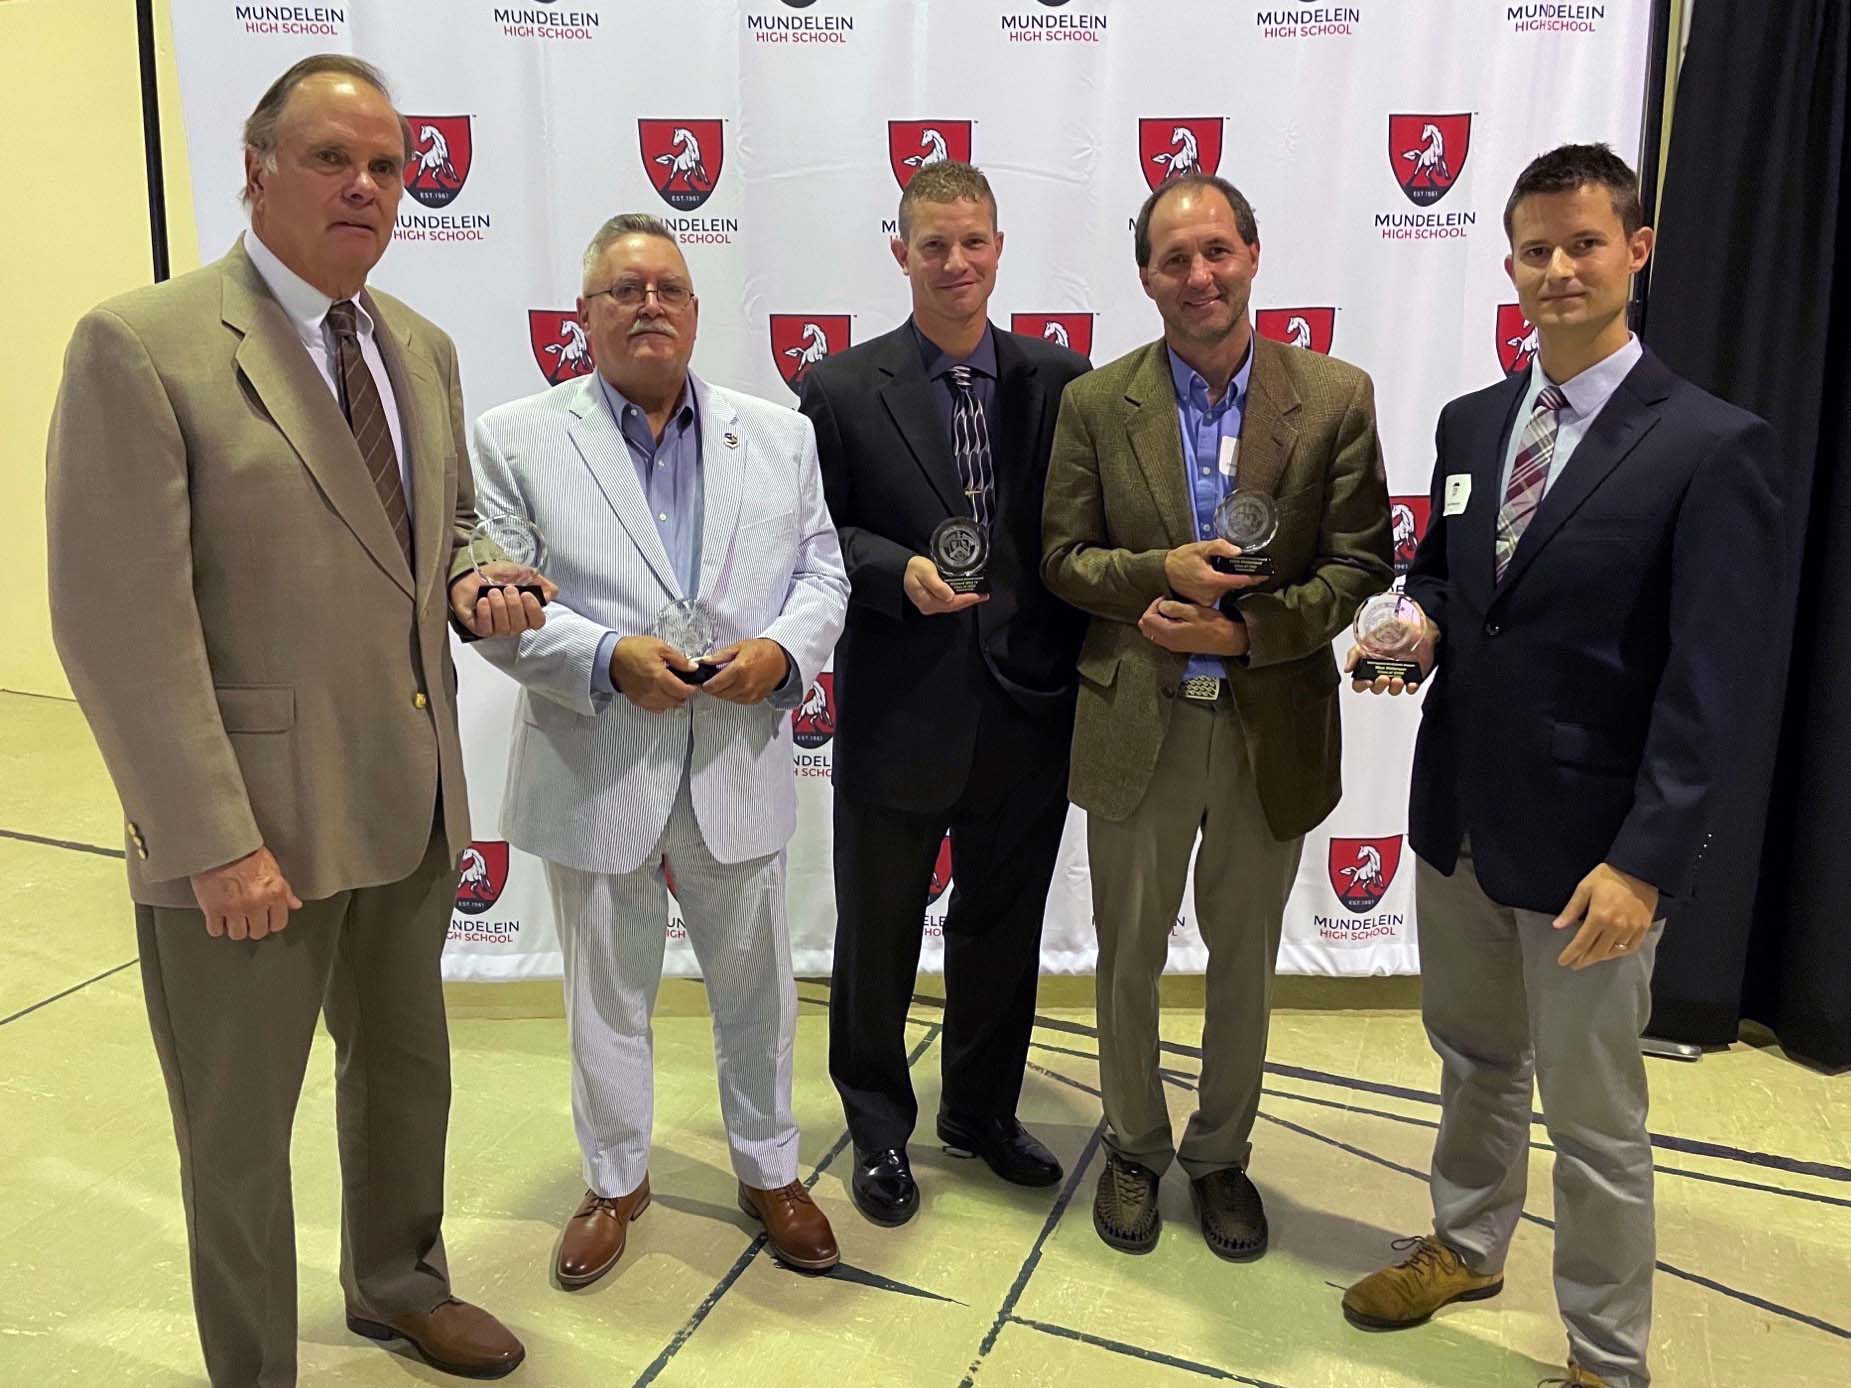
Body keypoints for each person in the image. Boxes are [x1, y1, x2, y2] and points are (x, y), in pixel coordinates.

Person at [46, 55, 541, 1386]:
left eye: (386, 166)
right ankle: (253, 1365)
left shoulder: (416, 347)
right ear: (257, 170)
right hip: (247, 830)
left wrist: (476, 578)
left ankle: (396, 1281)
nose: (367, 187)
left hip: (405, 795)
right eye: (332, 159)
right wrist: (211, 837)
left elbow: (428, 536)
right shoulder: (140, 343)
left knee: (404, 1079)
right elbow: (116, 624)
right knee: (237, 1128)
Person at [1339, 144, 1781, 1388]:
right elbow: (1448, 577)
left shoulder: (1710, 444)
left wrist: (1645, 862)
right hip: (1462, 819)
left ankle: (1604, 1354)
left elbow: (1714, 684)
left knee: (1595, 1123)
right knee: (1474, 1058)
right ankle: (1468, 1242)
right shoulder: (1477, 421)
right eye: (1535, 247)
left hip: (1594, 853)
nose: (1557, 269)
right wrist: (1415, 619)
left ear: (1637, 250)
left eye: (1583, 242)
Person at [468, 213, 850, 1285]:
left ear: (692, 311)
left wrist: (781, 652)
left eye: (669, 289)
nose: (649, 305)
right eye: (623, 290)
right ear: (584, 316)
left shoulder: (777, 435)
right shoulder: (513, 437)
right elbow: (497, 602)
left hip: (735, 757)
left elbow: (824, 574)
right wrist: (602, 655)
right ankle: (615, 1176)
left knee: (757, 989)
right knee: (605, 991)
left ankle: (771, 1166)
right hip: (597, 760)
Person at [1041, 173, 1392, 1260]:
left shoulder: (1334, 394)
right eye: (1173, 259)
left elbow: (1360, 563)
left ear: (1251, 252)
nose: (1198, 276)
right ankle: (1137, 1147)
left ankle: (1220, 1154)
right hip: (1136, 716)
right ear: (1146, 276)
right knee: (1127, 954)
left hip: (1266, 721)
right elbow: (1060, 558)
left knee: (1245, 954)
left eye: (1215, 252)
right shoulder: (1097, 403)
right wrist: (1158, 571)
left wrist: (1247, 635)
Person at [797, 161, 1090, 1226]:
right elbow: (813, 531)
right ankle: (878, 1125)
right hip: (899, 700)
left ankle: (980, 1108)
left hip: (1029, 704)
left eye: (973, 242)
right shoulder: (838, 387)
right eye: (934, 244)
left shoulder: (1063, 379)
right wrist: (891, 570)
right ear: (901, 251)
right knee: (878, 932)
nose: (955, 263)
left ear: (1000, 248)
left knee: (1001, 929)